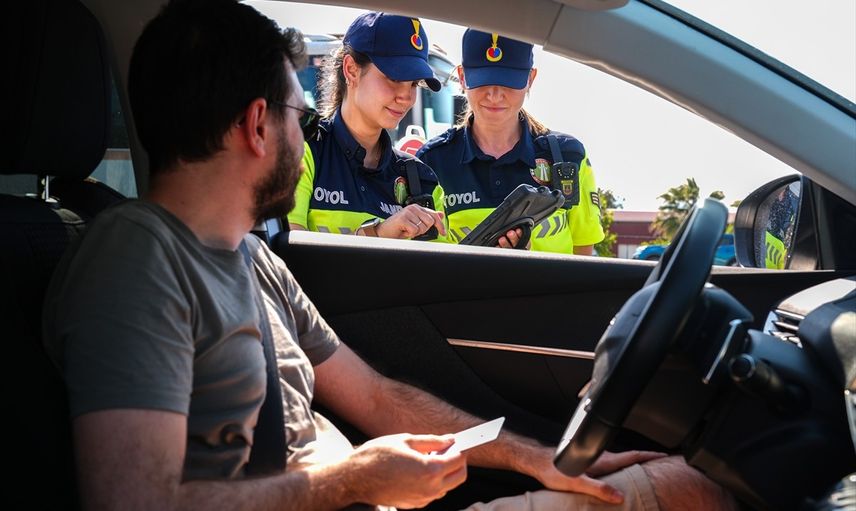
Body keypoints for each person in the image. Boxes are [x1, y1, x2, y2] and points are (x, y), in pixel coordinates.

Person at [43, 1, 737, 509]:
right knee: (697, 490)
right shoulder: (136, 258)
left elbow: (375, 396)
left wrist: (539, 458)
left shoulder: (254, 260)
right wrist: (353, 479)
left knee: (689, 481)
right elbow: (134, 502)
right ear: (258, 125)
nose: (305, 135)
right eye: (297, 115)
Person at [417, 30, 604, 253]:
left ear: (530, 79)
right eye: (483, 80)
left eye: (508, 81)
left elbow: (583, 254)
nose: (495, 95)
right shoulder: (431, 162)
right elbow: (430, 261)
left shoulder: (568, 156)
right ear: (463, 77)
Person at [287, 12, 446, 241]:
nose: (406, 97)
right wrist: (376, 235)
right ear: (351, 70)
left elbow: (443, 264)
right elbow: (286, 254)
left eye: (414, 84)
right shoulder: (301, 149)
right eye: (394, 78)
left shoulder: (422, 179)